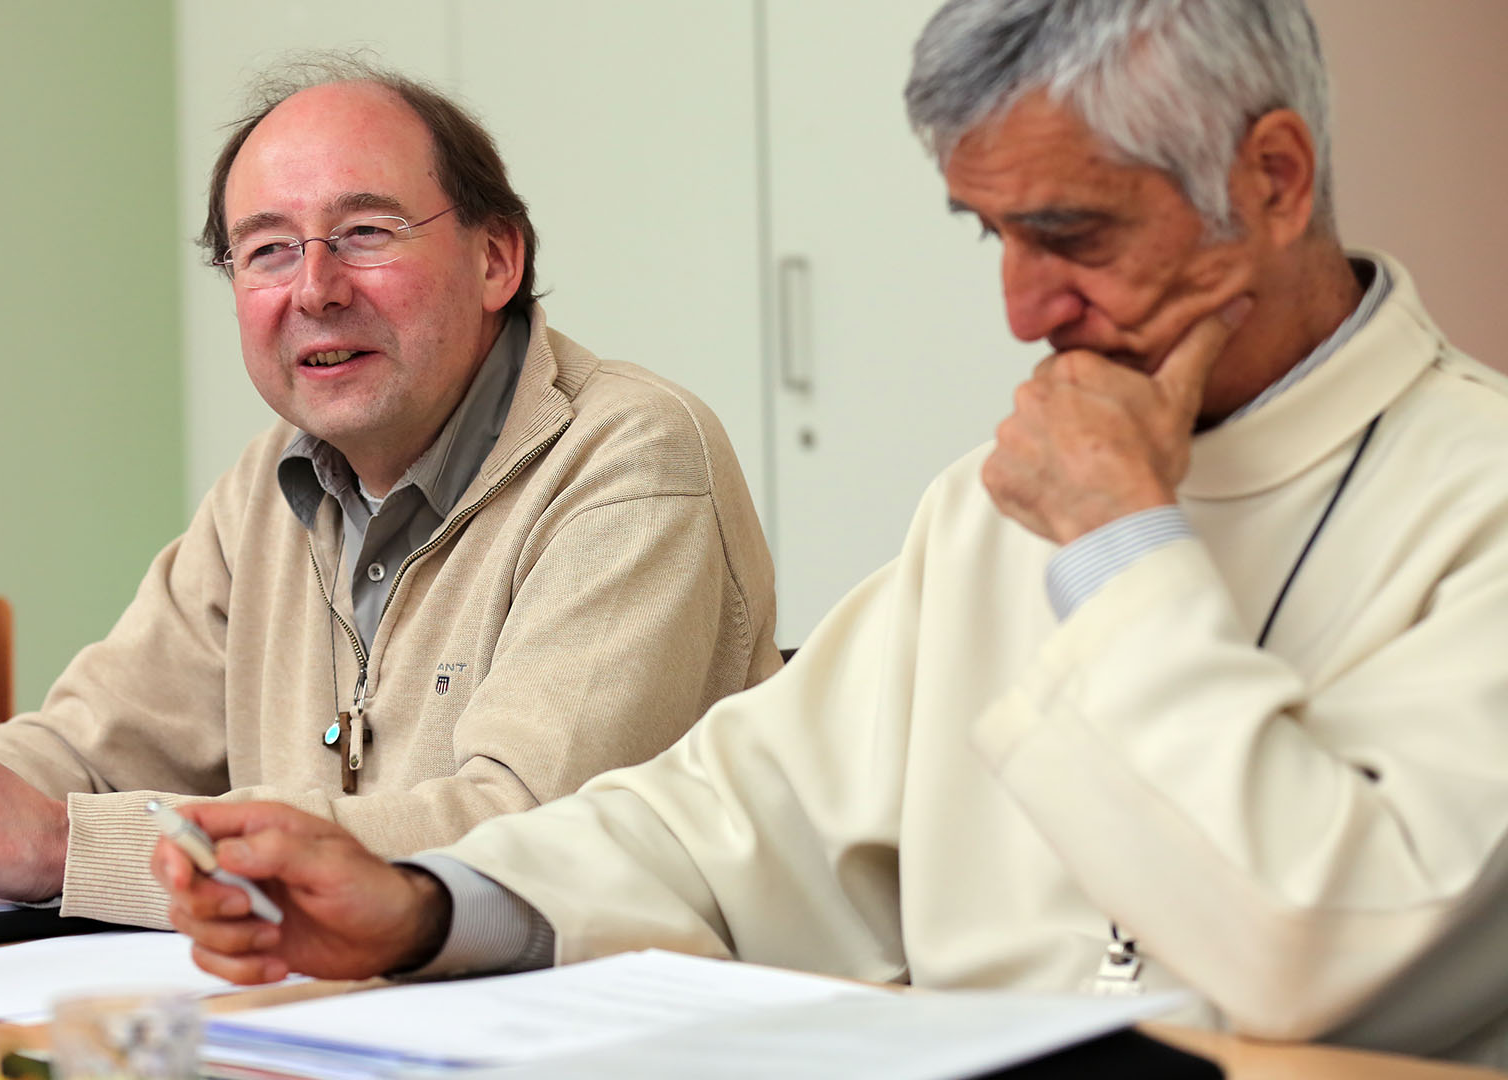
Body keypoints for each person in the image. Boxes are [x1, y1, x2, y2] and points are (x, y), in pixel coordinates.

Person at [153, 0, 1508, 1064]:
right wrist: (428, 900)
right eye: (993, 239)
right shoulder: (995, 508)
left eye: (1074, 234)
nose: (1026, 311)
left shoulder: (1477, 495)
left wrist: (1120, 544)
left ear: (1273, 180)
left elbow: (1324, 943)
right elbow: (728, 817)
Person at [0, 61, 780, 926]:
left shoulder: (630, 458)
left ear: (497, 259)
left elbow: (519, 837)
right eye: (267, 249)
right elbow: (98, 743)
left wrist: (64, 845)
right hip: (327, 1016)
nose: (313, 288)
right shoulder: (270, 484)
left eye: (363, 232)